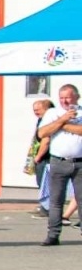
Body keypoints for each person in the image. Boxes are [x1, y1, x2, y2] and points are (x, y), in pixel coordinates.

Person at [39, 84, 82, 246]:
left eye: (68, 97)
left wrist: (61, 125)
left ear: (76, 97)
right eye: (62, 97)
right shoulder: (52, 113)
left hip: (79, 162)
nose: (64, 101)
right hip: (58, 161)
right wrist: (62, 119)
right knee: (56, 200)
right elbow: (42, 133)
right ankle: (53, 234)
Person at [31, 97, 54, 218]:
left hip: (45, 158)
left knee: (45, 184)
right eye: (34, 110)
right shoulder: (41, 120)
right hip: (42, 157)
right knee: (43, 183)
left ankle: (47, 209)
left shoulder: (47, 121)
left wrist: (38, 156)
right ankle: (45, 207)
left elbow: (46, 140)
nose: (36, 112)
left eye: (38, 110)